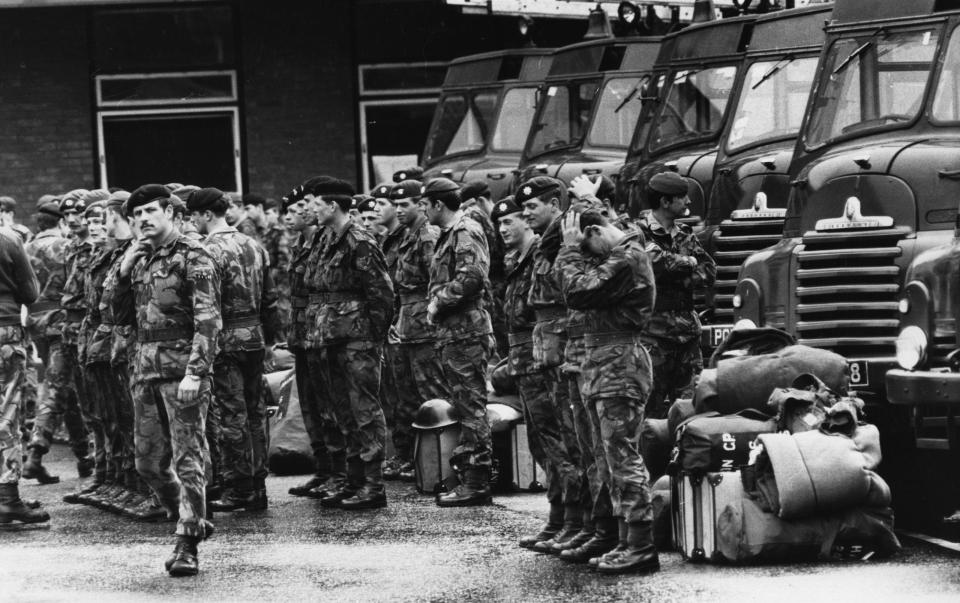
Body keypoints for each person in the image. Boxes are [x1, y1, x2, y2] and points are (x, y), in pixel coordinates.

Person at [114, 184, 220, 576]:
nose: (142, 220)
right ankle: (190, 518)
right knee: (147, 464)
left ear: (172, 214)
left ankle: (187, 542)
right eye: (136, 214)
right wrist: (123, 272)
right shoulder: (139, 257)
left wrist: (196, 371)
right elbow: (118, 315)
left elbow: (209, 320)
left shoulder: (194, 255)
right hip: (144, 371)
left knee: (188, 458)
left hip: (182, 373)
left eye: (149, 212)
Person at [555, 209, 659, 575]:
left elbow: (579, 290)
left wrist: (569, 252)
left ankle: (641, 544)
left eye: (588, 246)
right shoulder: (618, 255)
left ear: (597, 230)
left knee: (622, 457)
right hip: (604, 365)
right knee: (606, 458)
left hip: (619, 365)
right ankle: (623, 539)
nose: (588, 256)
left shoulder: (629, 257)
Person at [303, 177, 394, 510]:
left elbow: (382, 293)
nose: (310, 209)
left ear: (331, 206)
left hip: (357, 339)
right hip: (330, 338)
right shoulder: (325, 239)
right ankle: (354, 480)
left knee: (364, 409)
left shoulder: (359, 240)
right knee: (343, 411)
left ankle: (373, 484)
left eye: (315, 204)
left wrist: (374, 337)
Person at [189, 187, 281, 512]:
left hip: (225, 340)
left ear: (205, 214)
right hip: (255, 336)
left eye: (194, 215)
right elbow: (270, 299)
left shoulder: (206, 251)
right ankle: (258, 484)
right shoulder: (254, 246)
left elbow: (207, 306)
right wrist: (270, 341)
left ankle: (239, 487)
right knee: (255, 412)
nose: (193, 221)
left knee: (232, 413)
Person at [515, 177, 584, 550]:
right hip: (544, 345)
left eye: (532, 207)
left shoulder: (566, 235)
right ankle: (560, 517)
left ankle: (577, 521)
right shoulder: (546, 241)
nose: (525, 214)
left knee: (568, 440)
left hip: (561, 346)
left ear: (555, 204)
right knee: (547, 441)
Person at [423, 178, 494, 507]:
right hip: (454, 333)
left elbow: (473, 276)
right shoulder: (449, 235)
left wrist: (439, 302)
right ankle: (470, 476)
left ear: (439, 204)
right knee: (465, 405)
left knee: (471, 409)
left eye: (426, 204)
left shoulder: (464, 231)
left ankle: (476, 480)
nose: (424, 210)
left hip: (466, 332)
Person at [636, 171, 716, 419]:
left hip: (687, 336)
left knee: (693, 405)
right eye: (683, 197)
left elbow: (709, 271)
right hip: (654, 336)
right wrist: (688, 262)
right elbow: (652, 264)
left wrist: (675, 271)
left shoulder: (685, 234)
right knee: (652, 409)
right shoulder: (638, 233)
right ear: (665, 202)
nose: (689, 202)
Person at [22, 200, 91, 485]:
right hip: (63, 323)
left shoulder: (25, 249)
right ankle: (36, 453)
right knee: (55, 385)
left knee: (66, 386)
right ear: (60, 222)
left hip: (37, 323)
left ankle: (84, 456)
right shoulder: (67, 247)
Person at [283, 185, 339, 498]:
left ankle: (336, 470)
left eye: (299, 207)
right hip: (302, 333)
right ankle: (323, 468)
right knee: (309, 404)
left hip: (319, 332)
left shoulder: (322, 241)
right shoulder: (302, 245)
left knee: (327, 403)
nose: (295, 215)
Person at [0, 219, 44, 524]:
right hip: (4, 330)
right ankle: (7, 498)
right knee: (7, 411)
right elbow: (30, 293)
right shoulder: (9, 239)